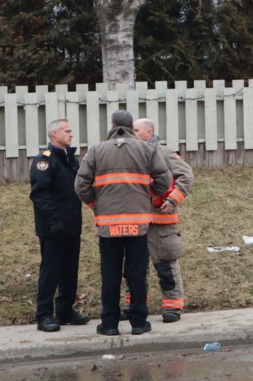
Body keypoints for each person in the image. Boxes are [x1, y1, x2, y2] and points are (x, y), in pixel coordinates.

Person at [75, 110, 172, 336]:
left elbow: (81, 186)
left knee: (110, 274)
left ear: (112, 126)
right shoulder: (147, 149)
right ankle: (139, 323)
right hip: (138, 223)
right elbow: (165, 179)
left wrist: (95, 204)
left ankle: (109, 324)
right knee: (137, 273)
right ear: (131, 127)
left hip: (108, 225)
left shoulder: (97, 150)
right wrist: (151, 196)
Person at [118, 117, 196, 324]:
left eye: (136, 130)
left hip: (160, 222)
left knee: (165, 266)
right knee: (134, 268)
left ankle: (172, 307)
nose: (131, 133)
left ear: (149, 133)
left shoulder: (164, 153)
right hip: (135, 221)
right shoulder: (127, 154)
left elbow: (186, 176)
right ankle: (133, 306)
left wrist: (173, 200)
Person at [29, 118, 89, 332]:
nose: (71, 134)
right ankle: (44, 315)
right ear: (54, 134)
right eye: (67, 131)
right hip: (53, 228)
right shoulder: (45, 161)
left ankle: (65, 310)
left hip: (72, 225)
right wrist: (54, 221)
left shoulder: (70, 160)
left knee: (70, 270)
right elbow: (39, 194)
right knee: (51, 270)